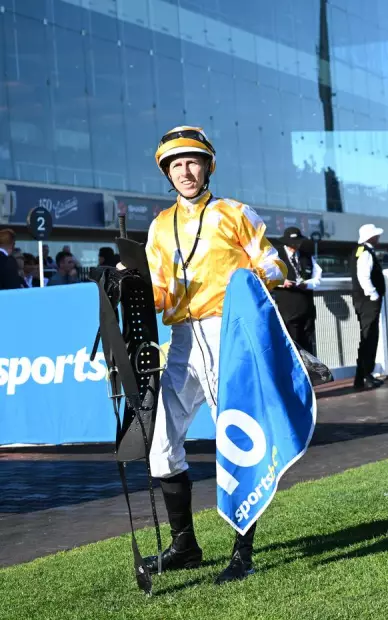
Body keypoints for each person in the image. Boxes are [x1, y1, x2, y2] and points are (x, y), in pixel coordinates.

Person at [133, 125, 287, 585]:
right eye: (175, 164)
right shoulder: (159, 226)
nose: (185, 170)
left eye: (192, 161)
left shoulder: (236, 212)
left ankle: (243, 553)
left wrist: (247, 285)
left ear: (207, 166)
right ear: (167, 172)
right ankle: (185, 547)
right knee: (161, 447)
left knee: (236, 442)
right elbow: (160, 292)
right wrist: (133, 287)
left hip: (230, 334)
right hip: (182, 340)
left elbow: (274, 264)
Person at [271, 226, 323, 354]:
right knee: (292, 344)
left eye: (299, 242)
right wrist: (283, 283)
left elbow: (318, 278)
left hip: (306, 309)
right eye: (294, 243)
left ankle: (310, 373)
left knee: (308, 345)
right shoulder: (275, 256)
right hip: (288, 310)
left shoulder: (306, 256)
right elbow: (267, 277)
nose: (297, 245)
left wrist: (307, 284)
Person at [350, 223, 385, 390]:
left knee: (366, 338)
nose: (378, 237)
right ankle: (366, 375)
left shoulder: (359, 251)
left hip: (361, 301)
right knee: (369, 338)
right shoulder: (366, 252)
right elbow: (364, 276)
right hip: (368, 301)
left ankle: (361, 377)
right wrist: (374, 294)